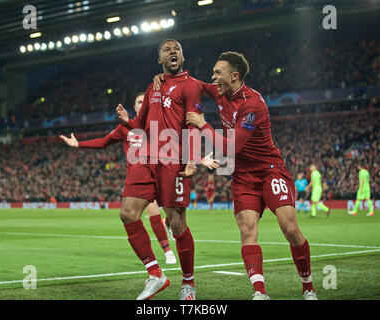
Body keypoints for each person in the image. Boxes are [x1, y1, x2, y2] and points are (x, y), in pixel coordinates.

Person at [179, 51, 317, 300]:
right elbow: (194, 84)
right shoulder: (219, 91)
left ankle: (308, 286)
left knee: (289, 226)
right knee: (247, 229)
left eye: (217, 73)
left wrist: (203, 125)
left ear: (234, 76)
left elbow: (232, 148)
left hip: (269, 170)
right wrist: (164, 77)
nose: (213, 78)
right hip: (243, 175)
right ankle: (260, 293)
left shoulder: (253, 104)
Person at [116, 39, 218, 300]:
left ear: (183, 56)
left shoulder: (192, 85)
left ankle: (188, 284)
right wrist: (130, 121)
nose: (173, 52)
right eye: (166, 50)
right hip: (147, 158)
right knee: (128, 214)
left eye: (177, 49)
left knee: (176, 223)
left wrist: (192, 158)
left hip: (174, 157)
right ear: (159, 59)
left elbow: (194, 124)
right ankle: (155, 274)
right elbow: (142, 121)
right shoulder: (153, 86)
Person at [59, 92, 177, 265]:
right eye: (139, 101)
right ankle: (167, 251)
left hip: (160, 175)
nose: (142, 103)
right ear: (135, 107)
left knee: (173, 214)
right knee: (151, 210)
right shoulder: (124, 128)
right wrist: (79, 144)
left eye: (146, 101)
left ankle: (169, 223)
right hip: (140, 180)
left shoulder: (158, 125)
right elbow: (104, 141)